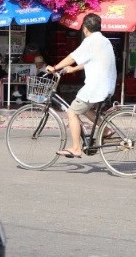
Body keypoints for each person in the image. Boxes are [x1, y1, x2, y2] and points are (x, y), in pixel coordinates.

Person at [45, 13, 117, 158]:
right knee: (84, 108)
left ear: (84, 28)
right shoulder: (104, 41)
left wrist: (55, 68)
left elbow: (72, 57)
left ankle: (76, 148)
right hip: (108, 85)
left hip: (96, 86)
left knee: (72, 111)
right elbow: (93, 60)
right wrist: (73, 69)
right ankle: (107, 130)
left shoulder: (90, 41)